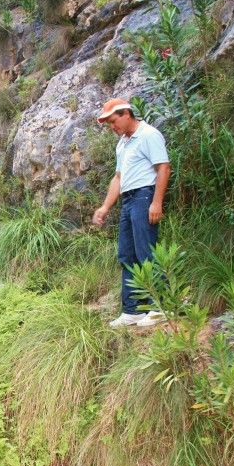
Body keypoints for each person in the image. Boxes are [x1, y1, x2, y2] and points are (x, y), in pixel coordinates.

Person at [91, 98, 171, 328]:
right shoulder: (123, 144)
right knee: (127, 255)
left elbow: (163, 167)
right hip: (128, 201)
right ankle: (134, 310)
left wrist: (157, 202)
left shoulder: (148, 134)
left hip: (144, 197)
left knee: (147, 251)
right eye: (109, 124)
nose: (112, 127)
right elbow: (118, 178)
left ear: (127, 114)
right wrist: (105, 207)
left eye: (114, 122)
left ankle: (159, 307)